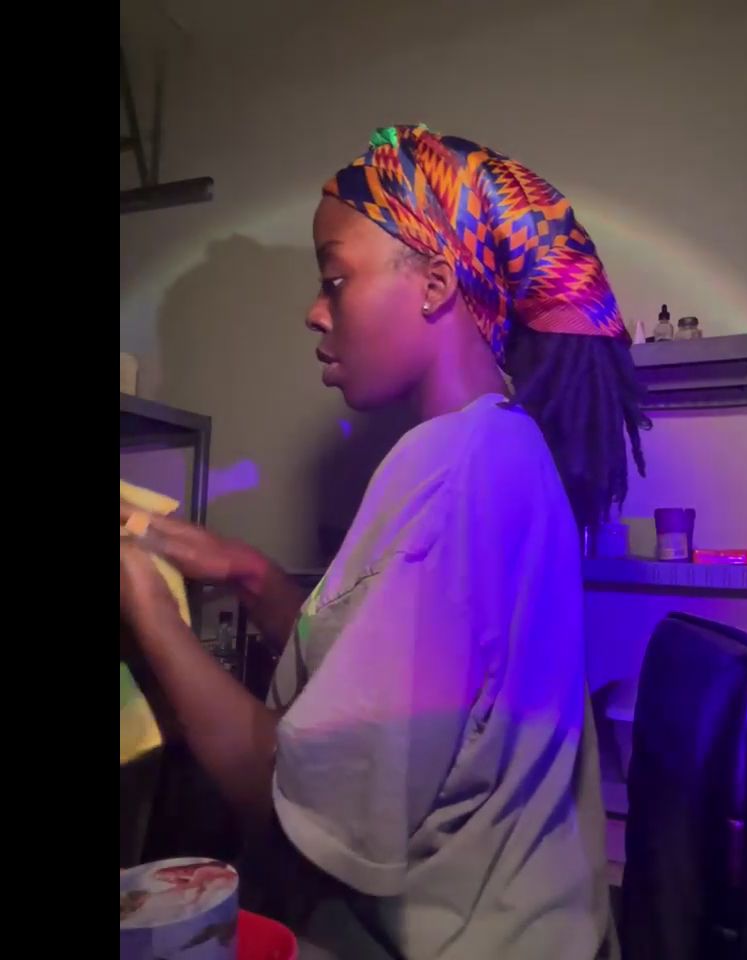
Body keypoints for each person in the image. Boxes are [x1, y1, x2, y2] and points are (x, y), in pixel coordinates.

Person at [119, 123, 650, 959]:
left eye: (335, 280)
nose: (314, 311)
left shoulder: (453, 472)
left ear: (435, 284)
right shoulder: (493, 446)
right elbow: (393, 670)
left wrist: (147, 607)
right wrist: (254, 576)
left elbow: (287, 796)